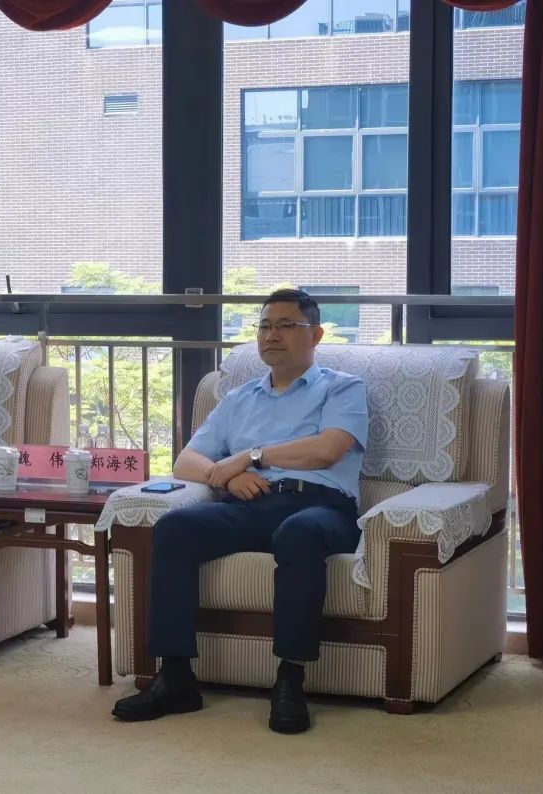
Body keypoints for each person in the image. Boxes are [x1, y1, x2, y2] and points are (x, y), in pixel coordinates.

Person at [111, 289, 368, 733]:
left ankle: (290, 679)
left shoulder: (342, 387)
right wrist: (228, 477)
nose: (272, 335)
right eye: (265, 326)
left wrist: (250, 456)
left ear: (316, 335)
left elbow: (328, 450)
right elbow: (186, 461)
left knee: (299, 533)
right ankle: (176, 676)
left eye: (286, 325)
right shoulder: (238, 398)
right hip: (251, 505)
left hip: (321, 507)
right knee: (174, 528)